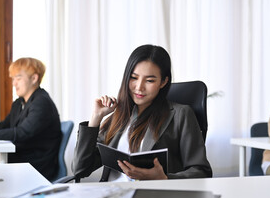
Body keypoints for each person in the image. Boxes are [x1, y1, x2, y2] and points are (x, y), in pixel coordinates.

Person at [73, 44, 212, 181]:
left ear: (163, 82)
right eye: (134, 78)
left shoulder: (181, 115)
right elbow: (80, 169)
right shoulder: (119, 115)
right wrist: (95, 118)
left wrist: (164, 178)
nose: (139, 87)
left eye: (150, 80)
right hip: (111, 196)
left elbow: (202, 172)